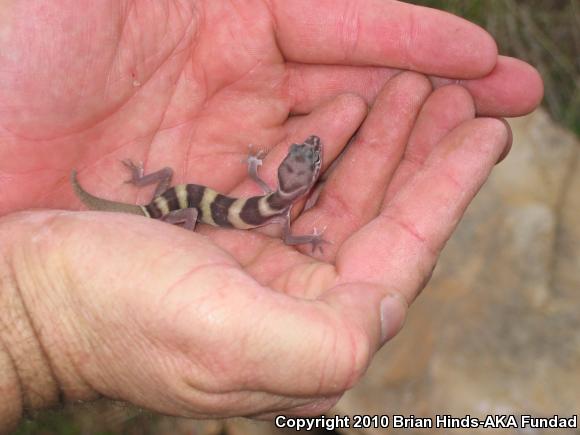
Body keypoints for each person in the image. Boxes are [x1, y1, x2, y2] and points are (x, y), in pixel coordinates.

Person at [0, 0, 542, 431]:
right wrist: (300, 239)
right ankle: (150, 206)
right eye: (304, 156)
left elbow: (275, 206)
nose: (307, 153)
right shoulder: (279, 210)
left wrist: (263, 174)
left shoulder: (275, 198)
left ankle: (143, 190)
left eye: (306, 156)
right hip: (176, 208)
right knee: (181, 214)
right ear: (297, 177)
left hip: (174, 194)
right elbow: (285, 230)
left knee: (174, 194)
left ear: (295, 177)